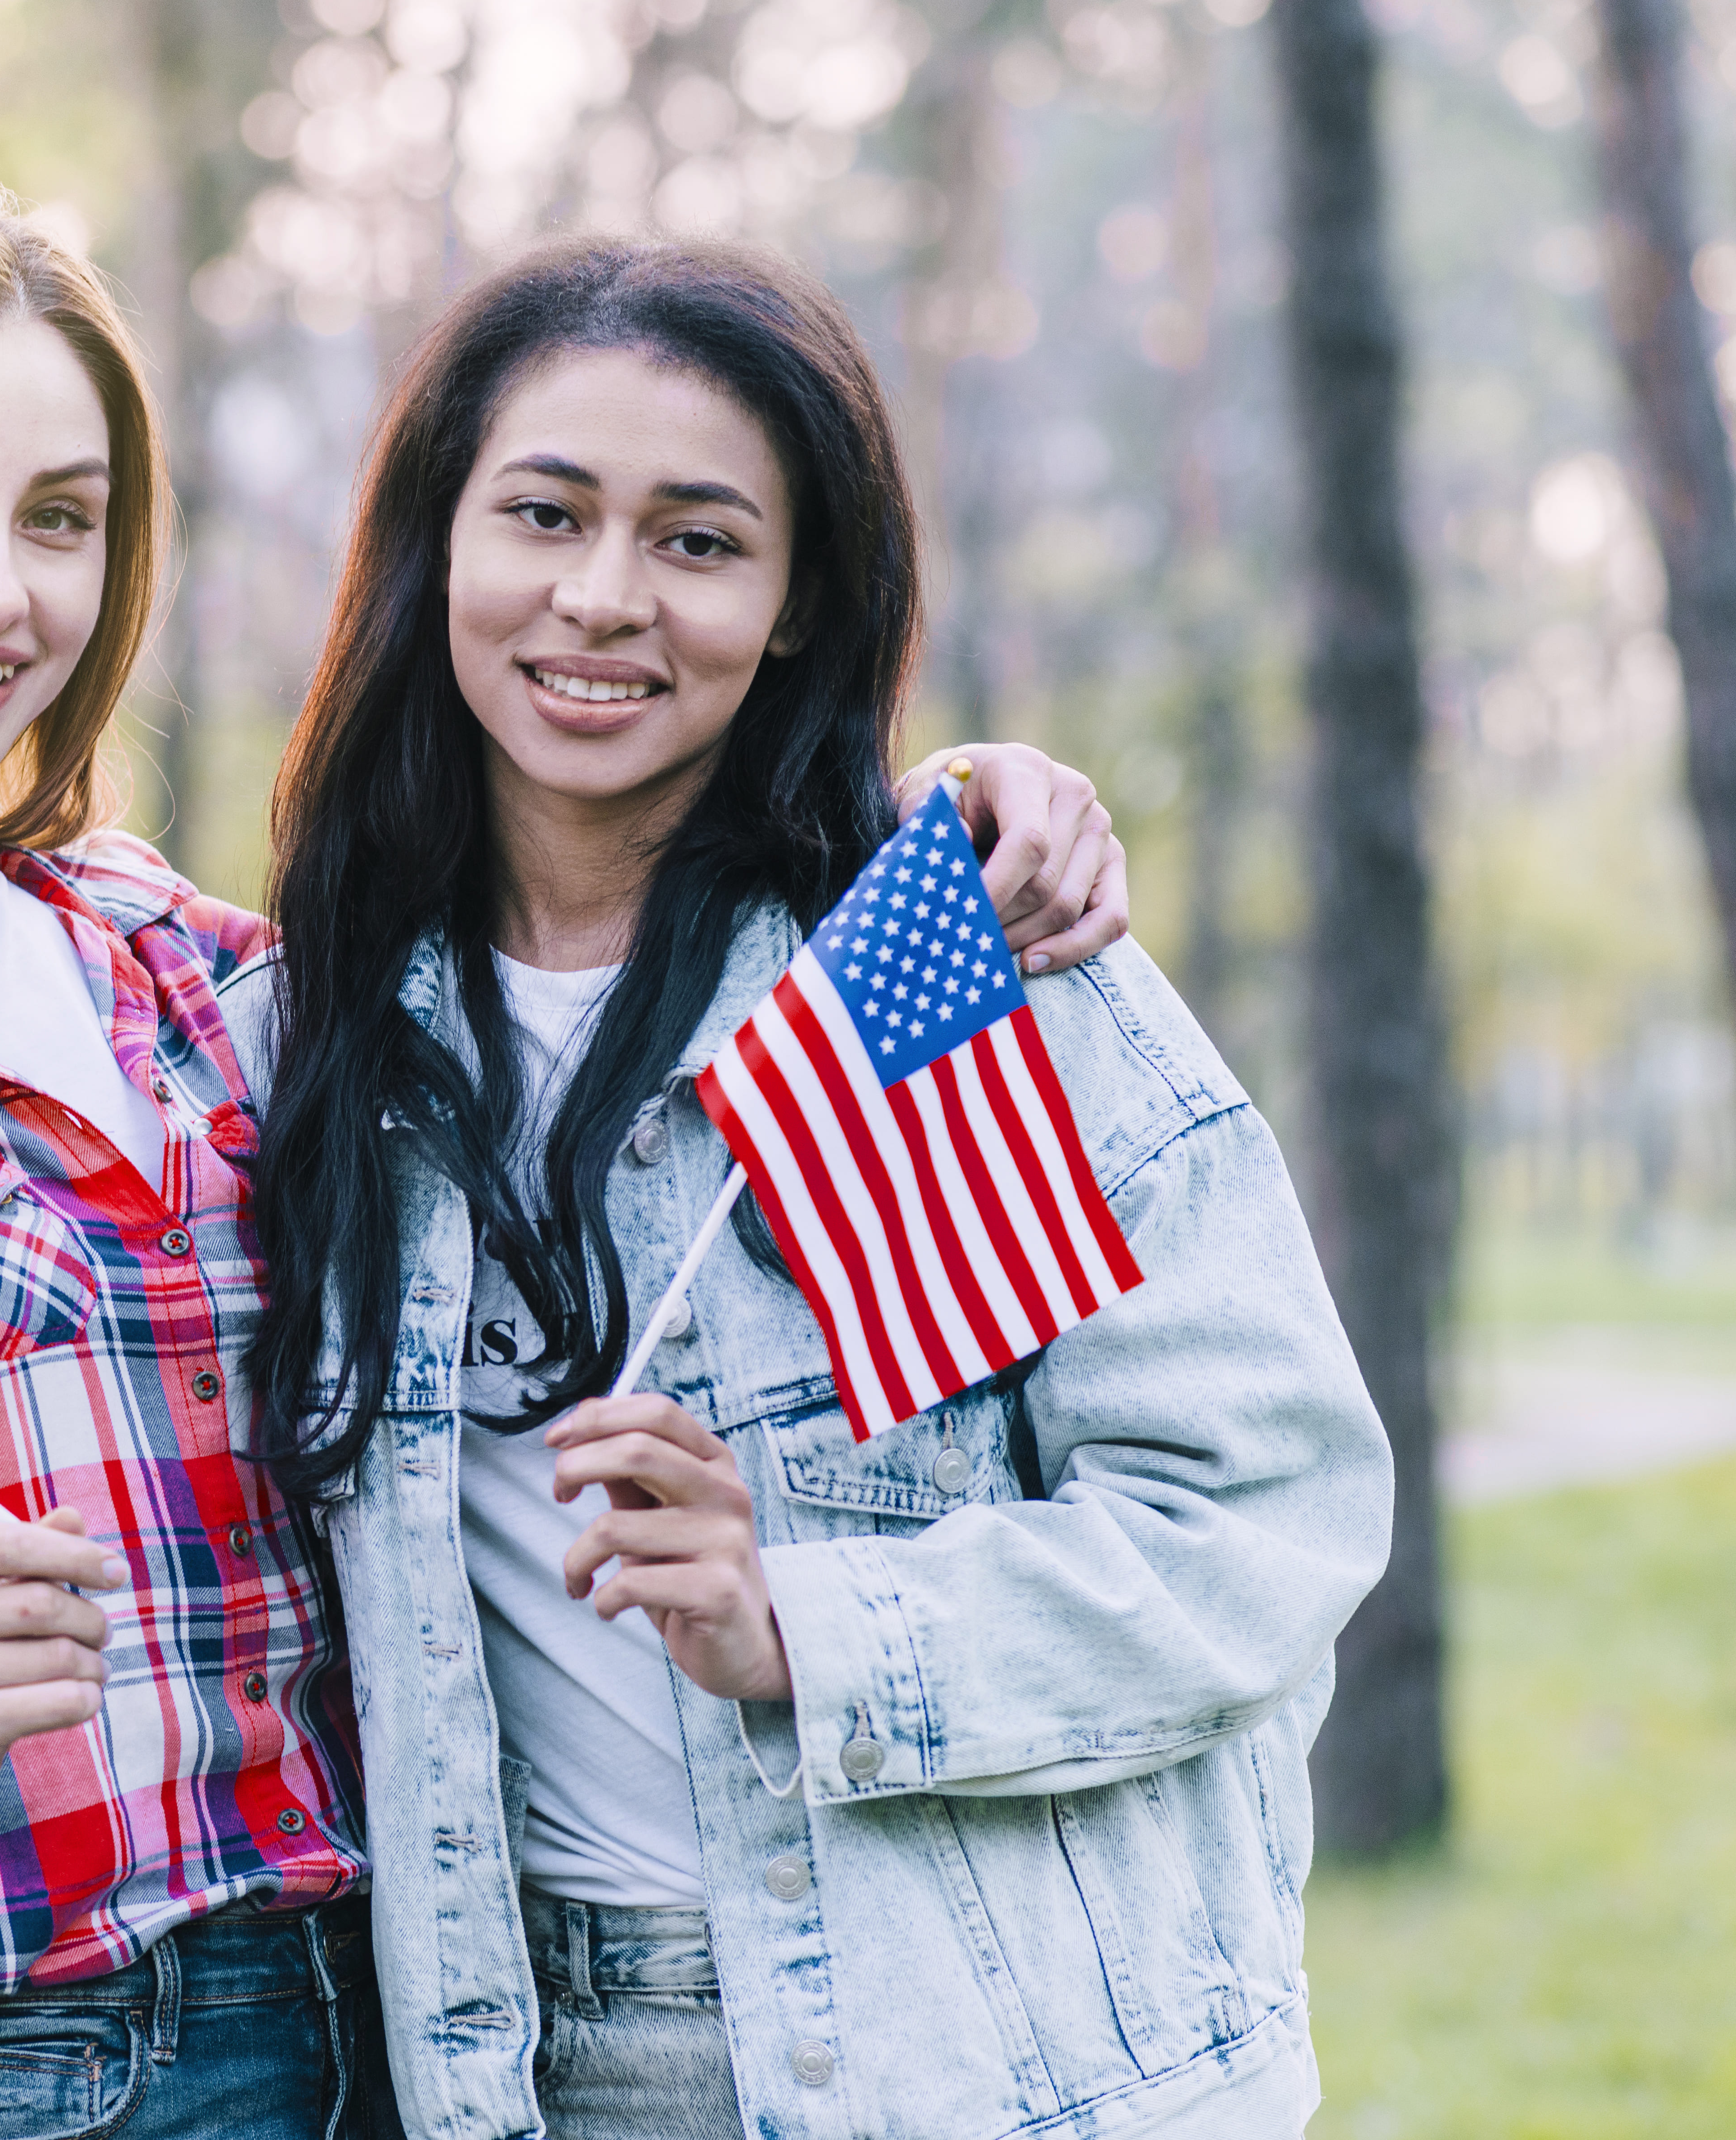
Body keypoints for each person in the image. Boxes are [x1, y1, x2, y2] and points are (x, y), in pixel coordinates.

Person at [0, 180, 1126, 2139]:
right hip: (47, 2070)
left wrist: (960, 804)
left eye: (58, 518)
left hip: (426, 2027)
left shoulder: (191, 966)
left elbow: (588, 917)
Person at [227, 234, 1393, 2140]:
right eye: (543, 514)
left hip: (966, 2054)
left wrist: (812, 1622)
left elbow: (1268, 1512)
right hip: (508, 2055)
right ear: (439, 545)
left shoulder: (953, 967)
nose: (603, 598)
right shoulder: (309, 1036)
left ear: (791, 603)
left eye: (698, 541)